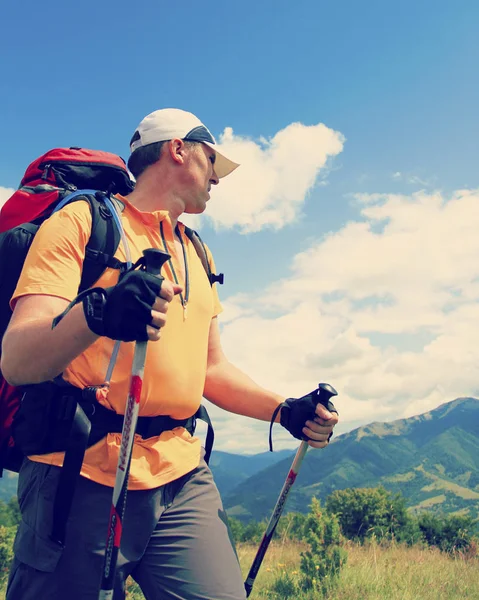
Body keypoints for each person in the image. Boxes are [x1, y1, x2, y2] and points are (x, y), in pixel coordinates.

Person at [1, 108, 339, 600]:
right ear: (177, 149)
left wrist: (283, 410)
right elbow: (17, 358)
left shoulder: (198, 252)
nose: (217, 180)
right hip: (79, 472)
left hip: (181, 476)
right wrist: (97, 311)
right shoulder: (84, 222)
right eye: (211, 159)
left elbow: (210, 369)